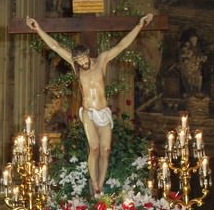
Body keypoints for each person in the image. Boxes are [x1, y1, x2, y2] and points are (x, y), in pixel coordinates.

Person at [25, 13, 154, 197]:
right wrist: (38, 29)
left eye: (83, 60)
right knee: (94, 148)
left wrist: (139, 26)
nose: (82, 63)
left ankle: (100, 185)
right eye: (78, 61)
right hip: (88, 112)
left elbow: (122, 45)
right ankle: (94, 183)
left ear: (87, 54)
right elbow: (55, 46)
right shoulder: (76, 66)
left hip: (103, 112)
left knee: (105, 150)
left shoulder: (101, 61)